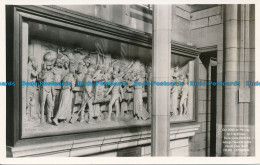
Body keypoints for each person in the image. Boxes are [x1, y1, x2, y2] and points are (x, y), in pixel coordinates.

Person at [53, 60, 76, 125]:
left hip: (62, 91)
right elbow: (73, 87)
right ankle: (56, 118)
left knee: (61, 104)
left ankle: (61, 118)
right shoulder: (71, 78)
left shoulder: (65, 76)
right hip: (67, 92)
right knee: (63, 106)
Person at [38, 52, 55, 123]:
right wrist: (42, 78)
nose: (49, 66)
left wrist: (53, 92)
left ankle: (48, 118)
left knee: (50, 104)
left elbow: (52, 83)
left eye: (50, 65)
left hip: (49, 90)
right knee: (43, 103)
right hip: (44, 89)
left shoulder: (51, 73)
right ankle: (42, 118)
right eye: (47, 65)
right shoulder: (42, 72)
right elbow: (38, 80)